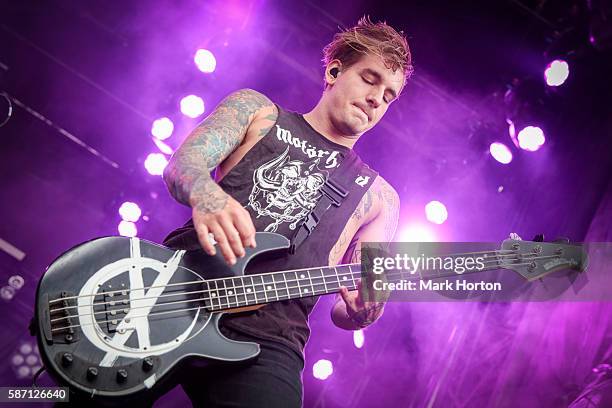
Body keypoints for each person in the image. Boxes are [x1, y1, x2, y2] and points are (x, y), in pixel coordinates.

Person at [162, 16, 413, 407]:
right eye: (370, 78)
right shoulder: (257, 112)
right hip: (173, 290)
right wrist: (209, 196)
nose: (378, 97)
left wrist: (366, 309)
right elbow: (182, 167)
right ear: (334, 70)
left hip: (269, 340)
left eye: (390, 94)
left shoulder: (380, 198)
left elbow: (350, 310)